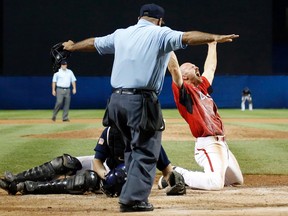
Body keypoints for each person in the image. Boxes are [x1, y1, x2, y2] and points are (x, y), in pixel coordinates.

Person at [62, 3, 239, 212]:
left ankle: (127, 188)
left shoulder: (122, 34)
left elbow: (94, 43)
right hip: (141, 101)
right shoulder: (160, 34)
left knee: (131, 150)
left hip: (116, 102)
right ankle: (133, 200)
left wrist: (73, 47)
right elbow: (188, 37)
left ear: (139, 18)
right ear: (160, 21)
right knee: (146, 151)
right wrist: (214, 37)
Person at [0, 126, 184, 196]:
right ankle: (15, 178)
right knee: (65, 163)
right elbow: (97, 161)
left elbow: (167, 170)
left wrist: (173, 182)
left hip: (122, 177)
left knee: (88, 180)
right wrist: (103, 174)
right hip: (105, 168)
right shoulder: (110, 132)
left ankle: (27, 188)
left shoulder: (148, 139)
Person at [164, 42, 244, 191]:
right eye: (192, 66)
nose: (197, 67)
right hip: (208, 143)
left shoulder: (202, 87)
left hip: (221, 144)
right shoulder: (184, 91)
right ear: (184, 76)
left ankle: (182, 174)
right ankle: (174, 173)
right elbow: (174, 68)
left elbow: (211, 68)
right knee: (215, 183)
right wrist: (165, 44)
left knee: (237, 180)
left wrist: (212, 43)